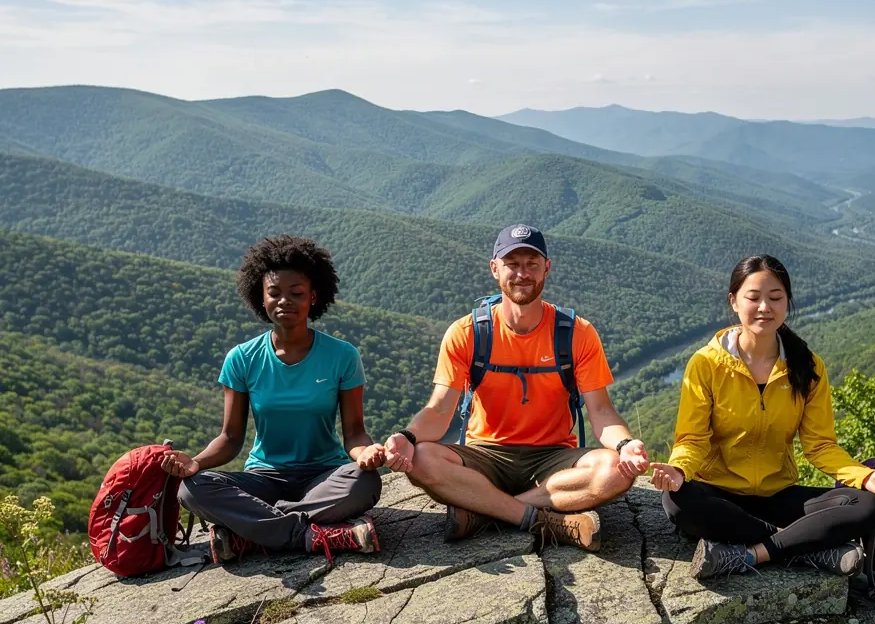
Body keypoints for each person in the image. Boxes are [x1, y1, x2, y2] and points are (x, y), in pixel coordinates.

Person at [382, 224, 650, 551]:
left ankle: (487, 511)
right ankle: (540, 520)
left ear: (546, 269)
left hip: (553, 457)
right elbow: (439, 410)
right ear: (495, 269)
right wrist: (407, 437)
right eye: (513, 264)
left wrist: (625, 445)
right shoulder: (467, 333)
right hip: (486, 455)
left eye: (532, 264)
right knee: (421, 458)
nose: (522, 274)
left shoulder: (576, 333)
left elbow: (601, 412)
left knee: (616, 470)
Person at [650, 254, 875, 580]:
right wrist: (679, 469)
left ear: (787, 303)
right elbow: (692, 439)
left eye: (775, 298)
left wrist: (864, 477)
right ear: (733, 301)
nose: (765, 307)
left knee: (871, 505)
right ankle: (804, 544)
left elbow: (820, 445)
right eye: (753, 297)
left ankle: (755, 552)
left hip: (779, 495)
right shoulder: (707, 364)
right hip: (720, 494)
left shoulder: (808, 367)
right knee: (676, 500)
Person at [160, 235, 385, 563]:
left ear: (313, 296)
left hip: (325, 475)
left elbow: (354, 432)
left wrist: (366, 452)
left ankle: (254, 531)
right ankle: (308, 534)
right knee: (190, 489)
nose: (285, 301)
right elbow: (230, 438)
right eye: (274, 293)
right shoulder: (242, 358)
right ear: (260, 297)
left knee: (364, 483)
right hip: (265, 477)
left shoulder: (342, 356)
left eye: (296, 293)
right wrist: (197, 463)